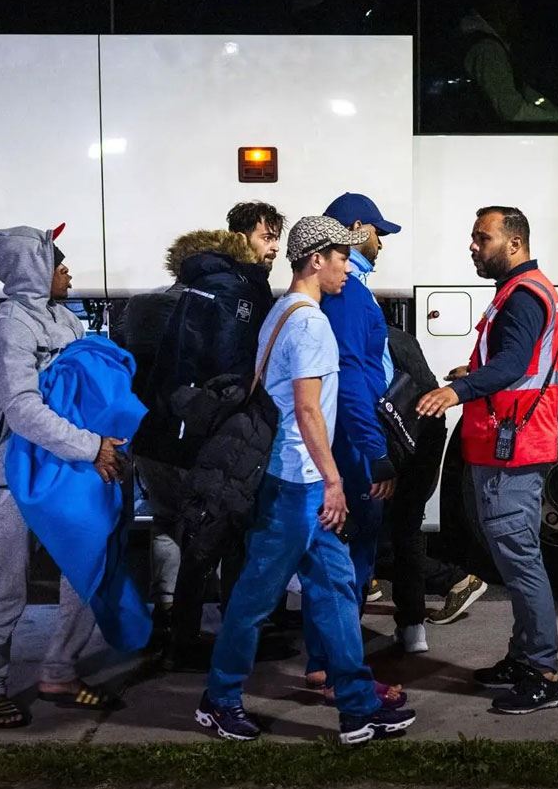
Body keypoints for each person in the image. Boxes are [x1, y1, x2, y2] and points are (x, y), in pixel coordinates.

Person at [195, 216, 415, 745]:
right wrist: (334, 482)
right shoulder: (312, 323)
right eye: (341, 257)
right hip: (298, 482)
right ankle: (219, 701)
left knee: (335, 587)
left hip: (295, 477)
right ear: (316, 260)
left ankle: (357, 706)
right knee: (255, 596)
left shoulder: (280, 313)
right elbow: (309, 411)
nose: (348, 265)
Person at [0, 225, 126, 728]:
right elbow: (21, 410)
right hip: (10, 476)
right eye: (59, 265)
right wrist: (90, 446)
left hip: (61, 470)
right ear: (35, 269)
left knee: (83, 574)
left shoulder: (64, 318)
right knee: (6, 586)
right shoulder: (10, 326)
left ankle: (59, 672)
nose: (68, 272)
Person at [417, 206, 558, 714]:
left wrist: (458, 390)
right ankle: (524, 657)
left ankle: (544, 672)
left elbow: (511, 366)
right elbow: (515, 362)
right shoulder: (522, 290)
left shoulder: (523, 296)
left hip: (514, 445)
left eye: (482, 238)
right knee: (514, 555)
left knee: (520, 561)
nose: (473, 247)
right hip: (511, 440)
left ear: (514, 243)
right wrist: (475, 369)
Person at [115, 202, 283, 640]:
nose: (275, 248)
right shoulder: (236, 289)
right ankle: (222, 632)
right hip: (197, 433)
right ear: (241, 237)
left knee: (172, 524)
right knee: (222, 529)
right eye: (268, 237)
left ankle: (169, 619)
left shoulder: (179, 289)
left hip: (157, 431)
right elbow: (229, 370)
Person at [303, 192, 407, 692]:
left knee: (335, 557)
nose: (380, 242)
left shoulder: (347, 290)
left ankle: (329, 661)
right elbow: (352, 375)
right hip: (352, 442)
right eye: (375, 233)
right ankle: (333, 665)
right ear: (354, 229)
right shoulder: (348, 294)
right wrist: (374, 451)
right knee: (347, 558)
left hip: (349, 436)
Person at [381, 325, 487, 647]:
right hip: (423, 439)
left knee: (370, 538)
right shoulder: (399, 339)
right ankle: (413, 630)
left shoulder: (355, 336)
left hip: (394, 449)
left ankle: (348, 648)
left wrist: (377, 462)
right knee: (407, 531)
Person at [460, 0, 558, 124]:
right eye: (511, 9)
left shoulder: (496, 47)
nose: (517, 16)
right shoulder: (488, 50)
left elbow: (526, 93)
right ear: (498, 11)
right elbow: (513, 112)